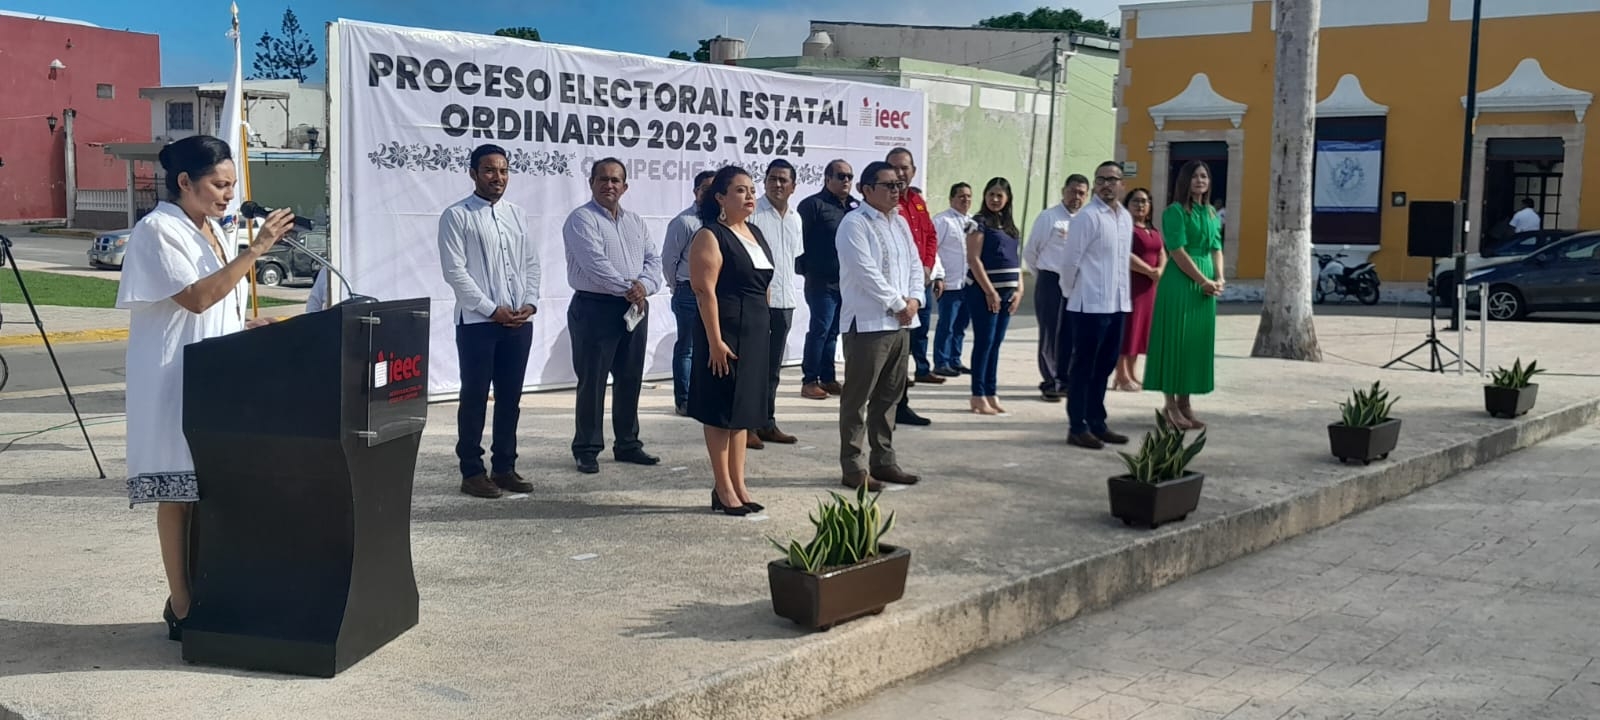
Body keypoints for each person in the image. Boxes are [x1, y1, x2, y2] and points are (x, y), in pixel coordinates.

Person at [116, 134, 297, 640]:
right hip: (174, 378)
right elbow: (195, 299)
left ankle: (210, 589)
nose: (226, 195)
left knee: (207, 494)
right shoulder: (158, 230)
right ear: (184, 182)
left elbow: (219, 305)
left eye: (231, 185)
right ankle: (182, 605)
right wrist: (258, 250)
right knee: (177, 496)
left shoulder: (213, 231)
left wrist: (245, 327)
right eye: (218, 185)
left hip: (217, 377)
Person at [437, 143, 542, 499]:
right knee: (475, 396)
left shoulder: (516, 214)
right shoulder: (457, 215)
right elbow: (455, 273)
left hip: (517, 323)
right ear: (473, 173)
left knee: (510, 398)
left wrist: (529, 303)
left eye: (503, 171)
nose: (498, 177)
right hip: (479, 324)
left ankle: (504, 467)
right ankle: (472, 471)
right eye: (490, 171)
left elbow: (531, 264)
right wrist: (490, 308)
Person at [561, 157, 664, 474]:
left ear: (625, 186)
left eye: (616, 180)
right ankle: (587, 448)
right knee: (592, 381)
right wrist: (629, 288)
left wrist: (643, 287)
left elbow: (654, 261)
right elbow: (595, 264)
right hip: (595, 307)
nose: (609, 185)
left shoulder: (636, 221)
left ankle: (628, 444)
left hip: (633, 307)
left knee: (630, 378)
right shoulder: (581, 220)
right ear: (591, 183)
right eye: (603, 179)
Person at [687, 166, 775, 516]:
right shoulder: (710, 235)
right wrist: (715, 341)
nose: (750, 195)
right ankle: (722, 488)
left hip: (755, 334)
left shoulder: (753, 232)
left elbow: (764, 286)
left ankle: (740, 484)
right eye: (740, 190)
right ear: (720, 197)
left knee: (743, 414)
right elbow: (703, 291)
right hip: (725, 331)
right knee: (722, 410)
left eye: (752, 189)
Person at [836, 161, 924, 492]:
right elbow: (865, 271)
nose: (895, 191)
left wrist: (915, 299)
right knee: (858, 399)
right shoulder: (854, 224)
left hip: (901, 323)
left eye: (898, 185)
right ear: (867, 189)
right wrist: (899, 304)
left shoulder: (899, 223)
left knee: (889, 396)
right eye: (888, 185)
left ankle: (884, 461)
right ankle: (853, 466)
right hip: (869, 323)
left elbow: (915, 264)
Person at [1058, 161, 1134, 450]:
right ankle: (1077, 426)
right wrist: (1071, 292)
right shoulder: (1087, 217)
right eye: (1101, 179)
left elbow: (1121, 261)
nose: (1106, 184)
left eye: (1112, 179)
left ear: (1121, 184)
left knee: (1104, 367)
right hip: (1088, 305)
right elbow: (1069, 262)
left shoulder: (1124, 218)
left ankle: (1097, 422)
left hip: (1116, 304)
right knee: (1083, 368)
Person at [1144, 160, 1224, 430]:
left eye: (1204, 176)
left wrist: (1219, 277)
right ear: (1185, 181)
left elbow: (1216, 247)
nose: (1200, 180)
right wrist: (1203, 280)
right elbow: (1177, 251)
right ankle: (1170, 405)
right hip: (1181, 283)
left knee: (1193, 345)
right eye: (1195, 176)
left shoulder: (1211, 212)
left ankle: (1186, 402)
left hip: (1206, 285)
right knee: (1175, 343)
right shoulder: (1174, 212)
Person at [746, 159, 804, 449]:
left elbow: (792, 260)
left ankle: (767, 422)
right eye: (772, 178)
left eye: (783, 180)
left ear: (793, 185)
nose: (777, 184)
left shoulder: (795, 218)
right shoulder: (752, 213)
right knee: (750, 368)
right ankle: (746, 427)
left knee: (772, 370)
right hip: (757, 303)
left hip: (785, 302)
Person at [795, 160, 857, 401]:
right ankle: (809, 380)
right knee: (820, 329)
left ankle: (828, 377)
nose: (846, 181)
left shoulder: (854, 207)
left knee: (833, 332)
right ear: (827, 178)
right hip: (821, 281)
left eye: (850, 177)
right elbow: (799, 242)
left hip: (846, 282)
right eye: (841, 176)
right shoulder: (812, 205)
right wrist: (806, 270)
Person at [963, 177, 1024, 416]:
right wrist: (990, 291)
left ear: (1007, 198)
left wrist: (1019, 289)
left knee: (996, 345)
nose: (995, 199)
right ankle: (978, 396)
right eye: (991, 194)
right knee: (984, 343)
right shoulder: (978, 223)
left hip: (1008, 293)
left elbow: (1015, 260)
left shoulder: (1009, 226)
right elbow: (973, 259)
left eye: (1000, 195)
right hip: (984, 292)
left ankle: (991, 393)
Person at [1026, 175, 1090, 402]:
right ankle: (1050, 381)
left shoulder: (1086, 219)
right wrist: (1044, 275)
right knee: (1050, 332)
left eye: (1082, 193)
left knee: (1071, 333)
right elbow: (1031, 252)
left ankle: (1066, 379)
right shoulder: (1049, 217)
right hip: (1051, 280)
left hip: (1077, 283)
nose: (1077, 197)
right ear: (1064, 191)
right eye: (1073, 191)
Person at [886, 148, 937, 426]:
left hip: (919, 285)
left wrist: (929, 267)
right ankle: (888, 406)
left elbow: (930, 235)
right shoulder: (889, 204)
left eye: (905, 168)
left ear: (913, 170)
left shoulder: (917, 200)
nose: (900, 173)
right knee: (893, 351)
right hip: (897, 288)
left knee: (912, 346)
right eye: (894, 168)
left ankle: (901, 404)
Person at [661, 170, 718, 416]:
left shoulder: (721, 222)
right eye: (705, 188)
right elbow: (668, 261)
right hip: (689, 293)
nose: (710, 193)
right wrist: (679, 287)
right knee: (688, 347)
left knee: (711, 346)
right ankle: (683, 400)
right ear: (696, 192)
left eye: (715, 189)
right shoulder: (684, 222)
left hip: (716, 294)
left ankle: (704, 396)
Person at [1113, 187, 1166, 393]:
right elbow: (1124, 254)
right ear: (1127, 205)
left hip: (1149, 288)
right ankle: (1120, 374)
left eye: (1144, 201)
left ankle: (1132, 372)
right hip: (1131, 284)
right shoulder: (1125, 228)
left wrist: (1159, 270)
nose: (1140, 205)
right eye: (1135, 201)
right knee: (1128, 330)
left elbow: (1162, 252)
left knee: (1140, 331)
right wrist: (1149, 270)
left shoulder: (1152, 230)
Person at [932, 183, 976, 377]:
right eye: (961, 196)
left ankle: (955, 360)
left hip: (968, 283)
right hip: (950, 282)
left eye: (968, 196)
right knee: (947, 324)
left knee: (961, 325)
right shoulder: (942, 221)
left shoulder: (974, 221)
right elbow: (933, 250)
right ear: (951, 199)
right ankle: (941, 361)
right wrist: (939, 275)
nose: (965, 200)